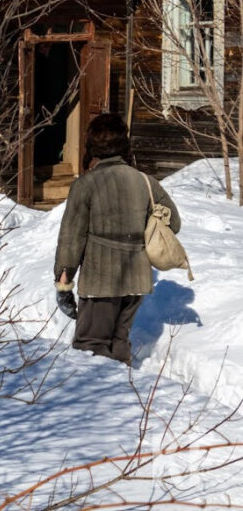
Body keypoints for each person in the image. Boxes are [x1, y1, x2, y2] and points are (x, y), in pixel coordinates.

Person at [53, 112, 181, 364]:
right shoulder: (146, 182)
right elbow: (173, 223)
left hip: (100, 281)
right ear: (124, 144)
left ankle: (97, 402)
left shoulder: (86, 185)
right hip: (136, 279)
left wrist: (64, 284)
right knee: (118, 344)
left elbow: (71, 239)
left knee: (90, 349)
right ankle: (123, 397)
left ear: (92, 147)